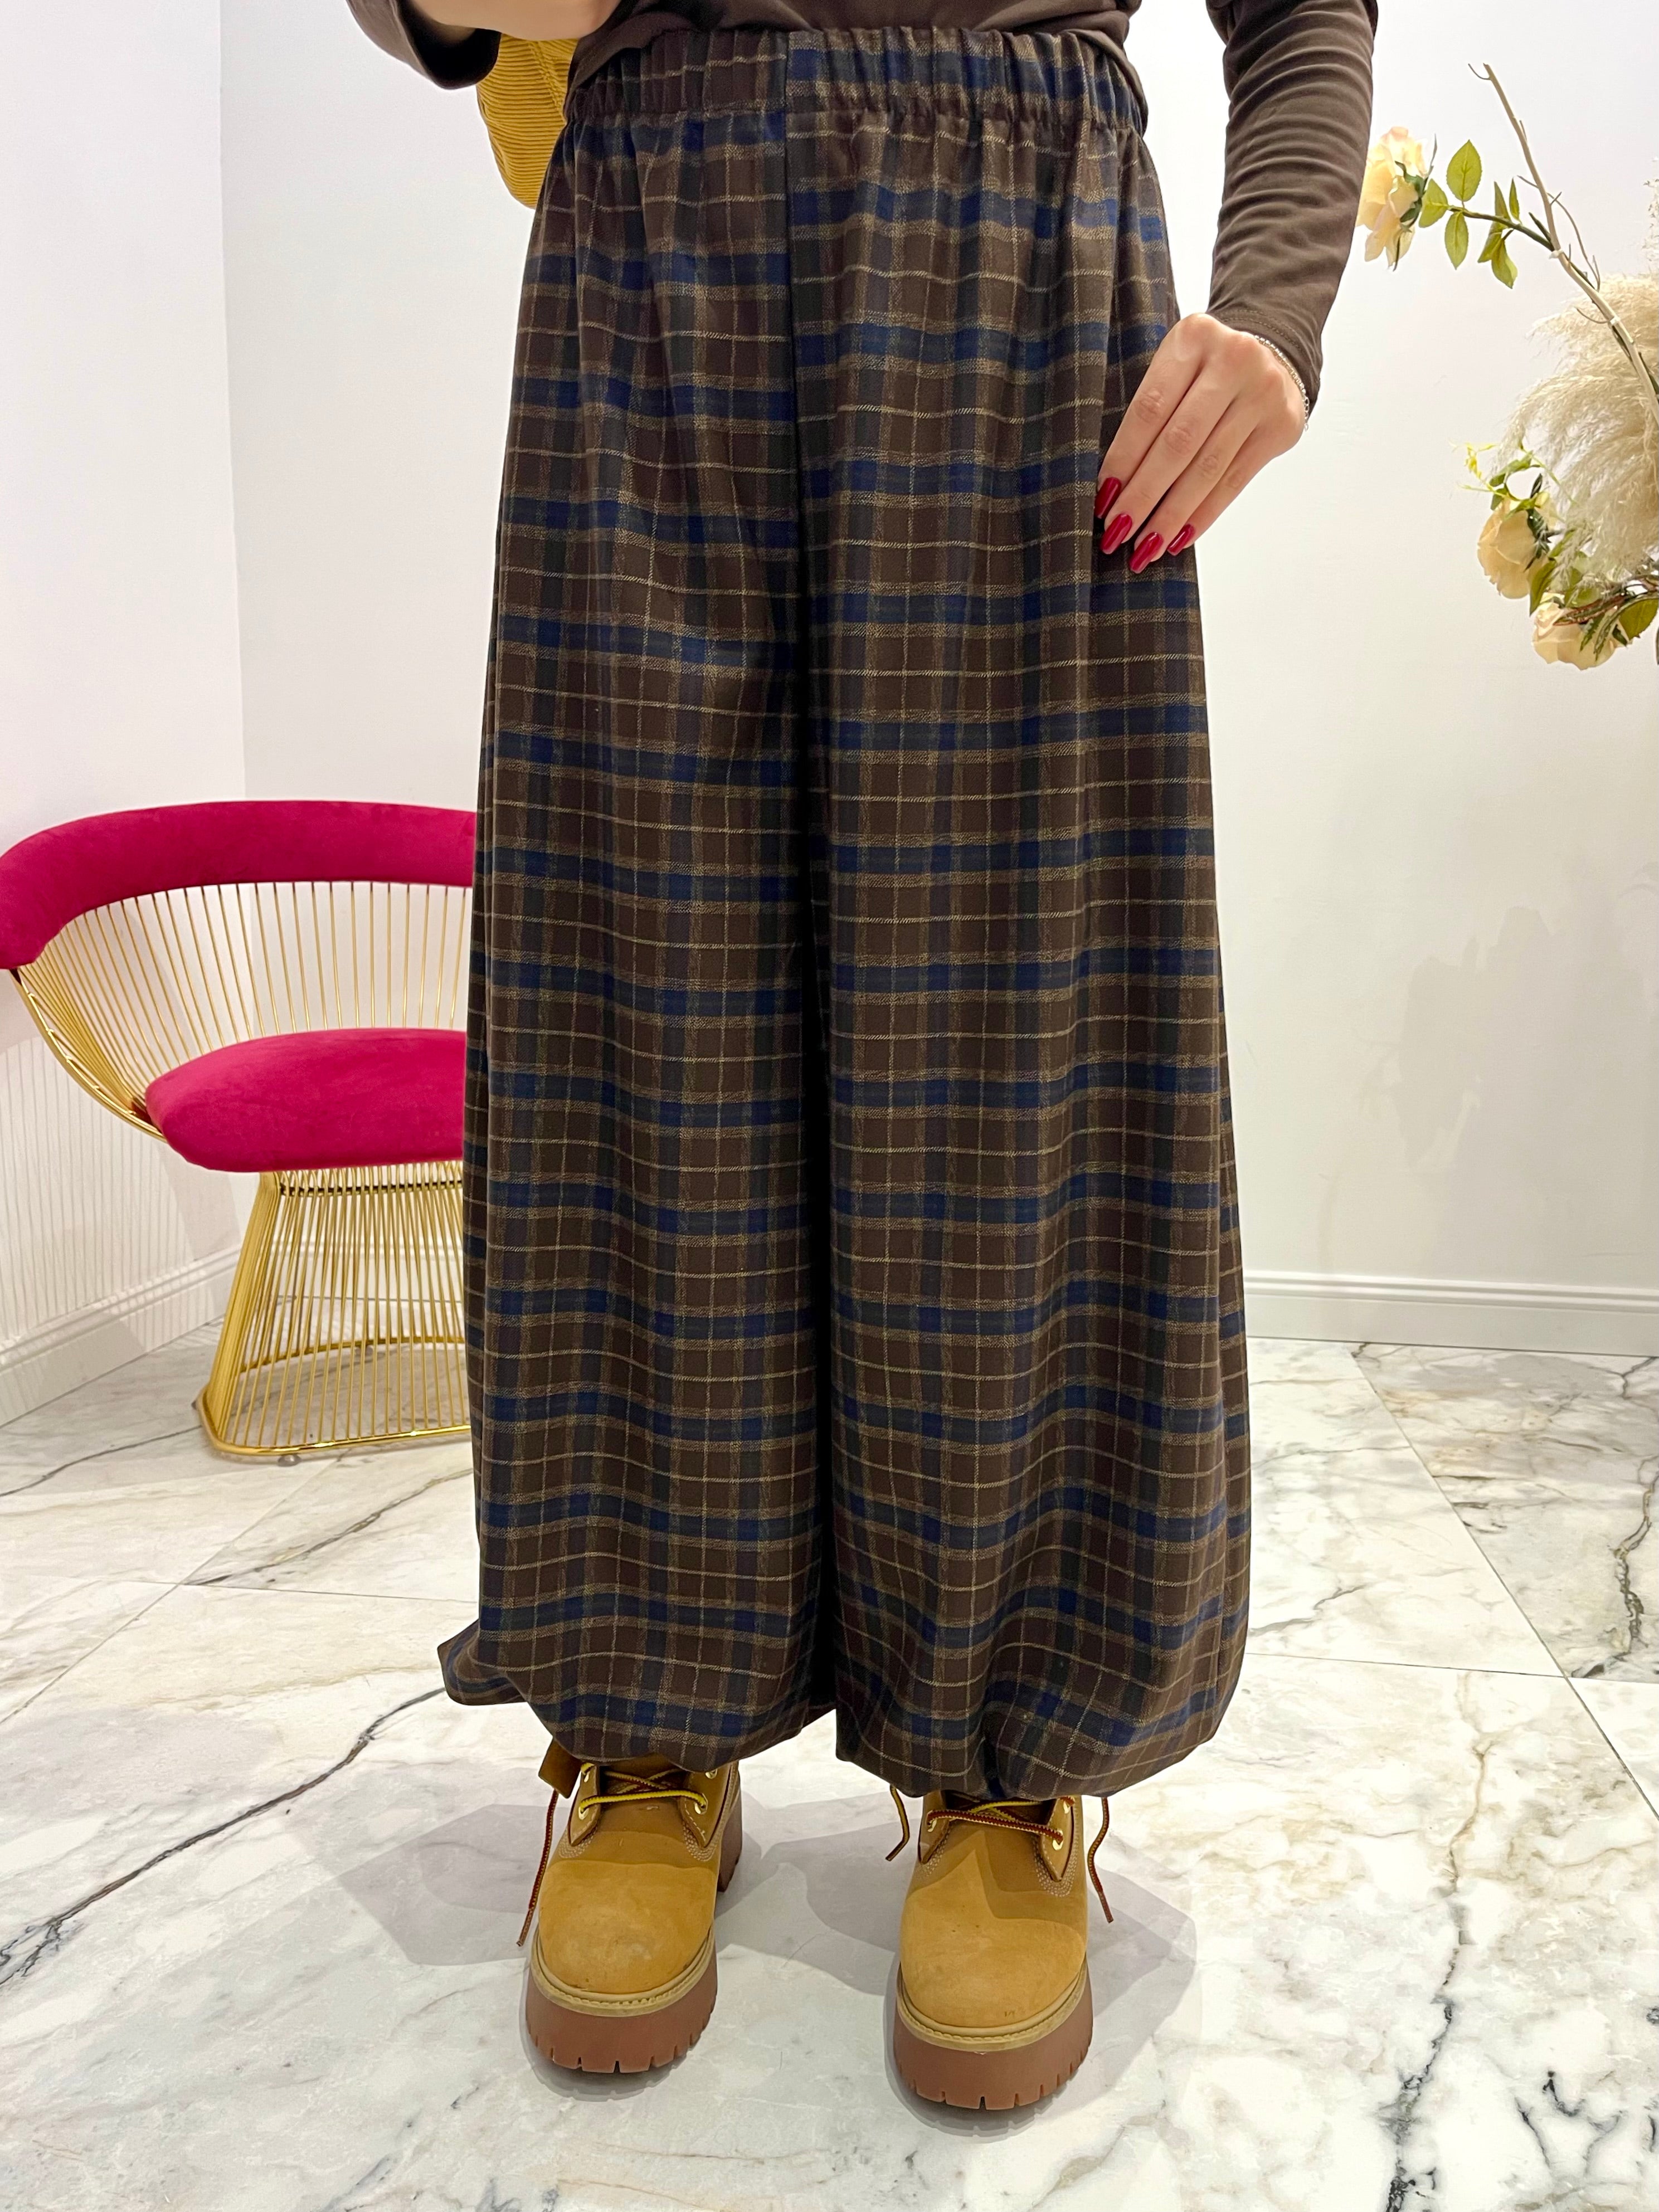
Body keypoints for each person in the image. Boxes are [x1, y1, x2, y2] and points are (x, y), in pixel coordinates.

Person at [347, 0, 1375, 2111]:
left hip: (1021, 242)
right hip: (652, 212)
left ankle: (1005, 1757)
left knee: (1007, 1039)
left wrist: (1275, 304)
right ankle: (649, 1712)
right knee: (639, 996)